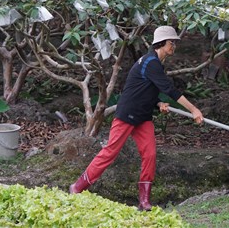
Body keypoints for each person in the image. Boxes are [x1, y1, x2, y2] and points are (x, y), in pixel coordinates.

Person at [69, 26, 204, 211]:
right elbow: (169, 89)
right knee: (110, 152)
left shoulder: (155, 63)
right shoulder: (150, 62)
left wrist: (158, 104)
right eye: (172, 42)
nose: (174, 46)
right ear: (162, 43)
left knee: (150, 154)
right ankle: (77, 188)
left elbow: (144, 88)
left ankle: (144, 201)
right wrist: (194, 109)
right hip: (127, 114)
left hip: (143, 117)